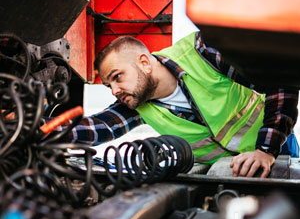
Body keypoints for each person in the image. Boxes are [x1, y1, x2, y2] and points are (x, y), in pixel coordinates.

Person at [58, 31, 298, 178]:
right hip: (229, 174)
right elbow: (96, 127)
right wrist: (35, 130)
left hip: (277, 150)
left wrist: (266, 150)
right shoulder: (136, 103)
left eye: (117, 76)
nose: (114, 91)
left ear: (144, 62)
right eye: (108, 85)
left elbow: (278, 80)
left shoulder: (201, 51)